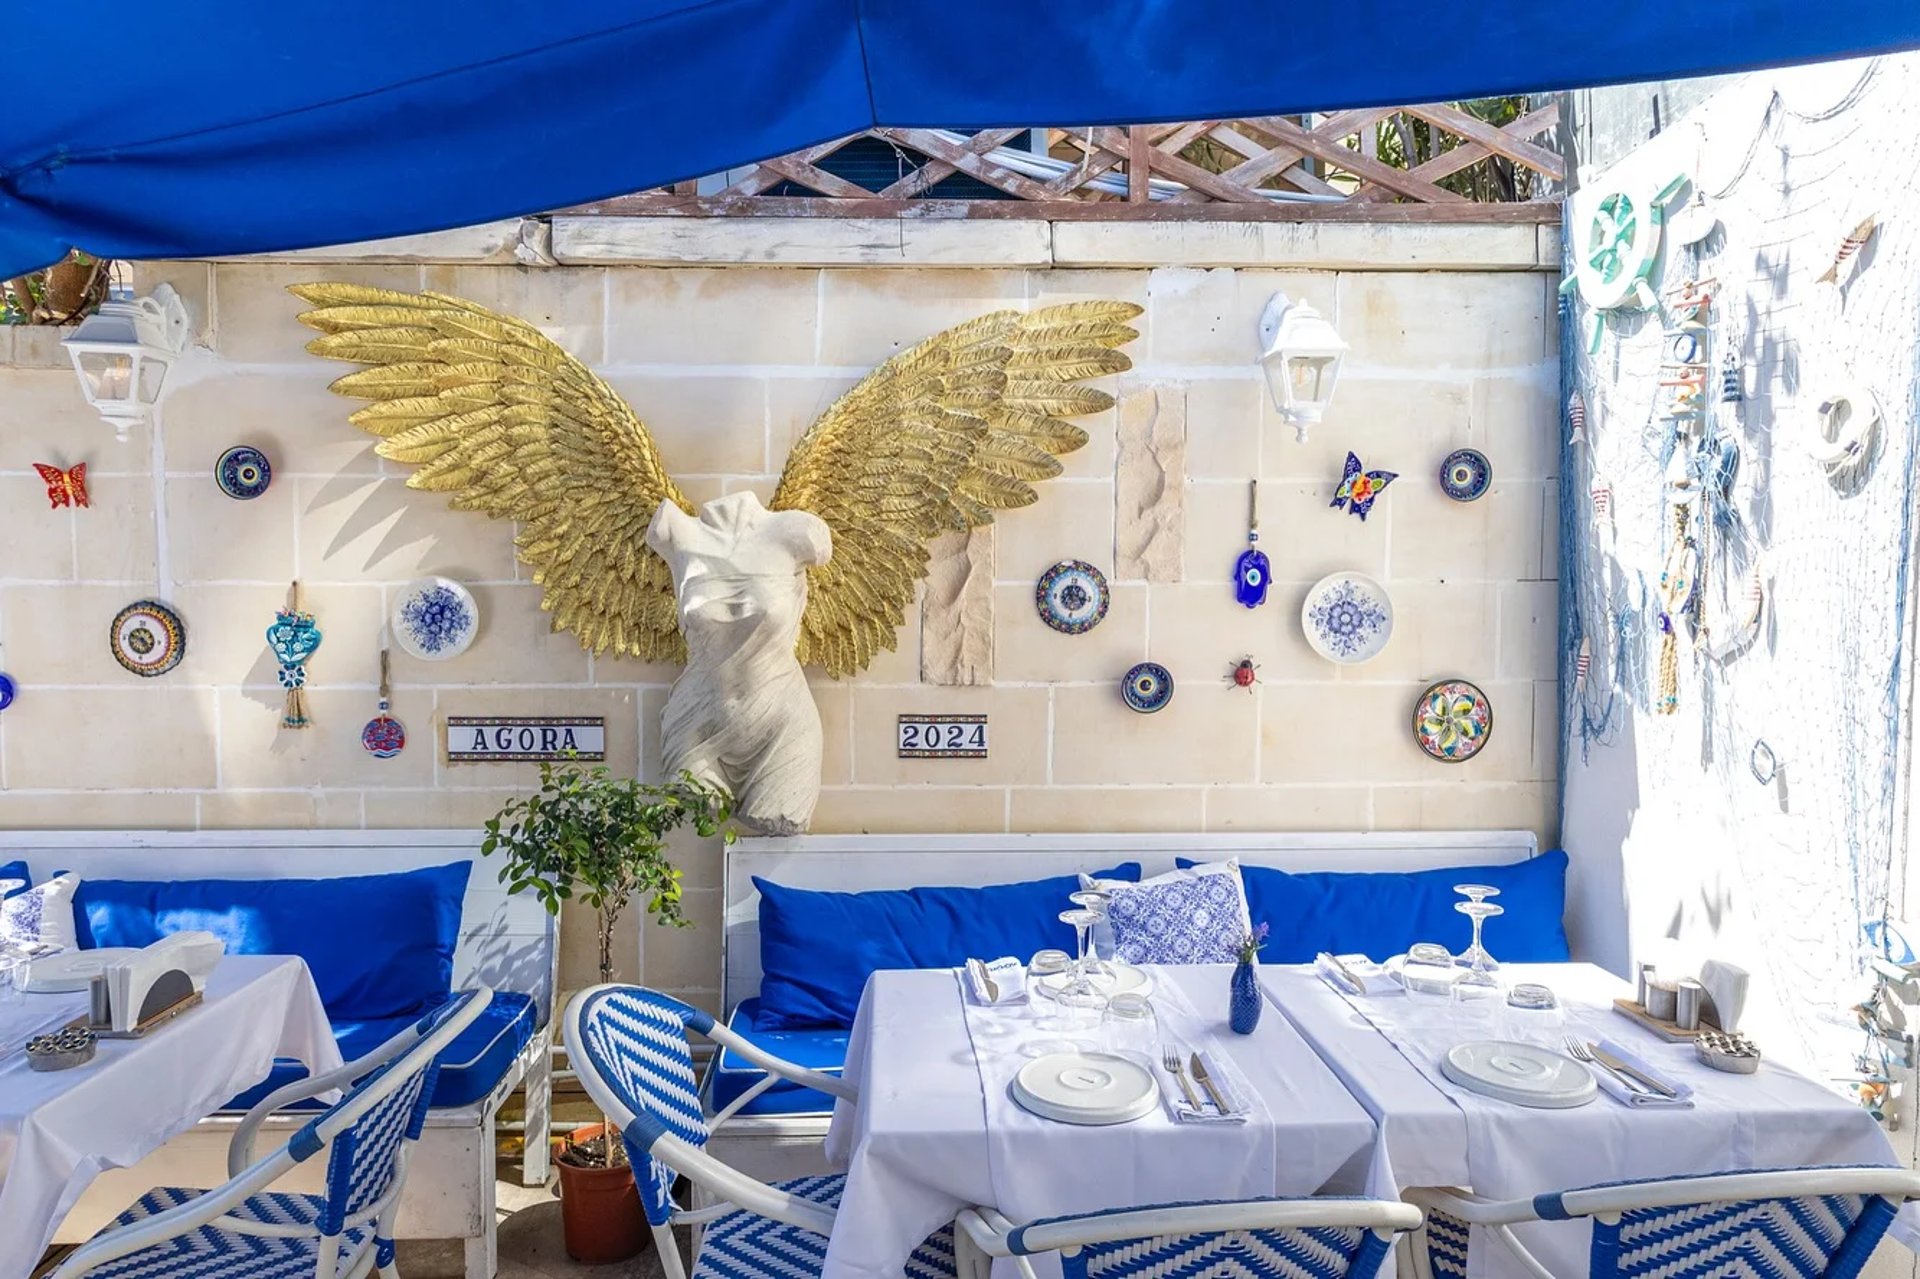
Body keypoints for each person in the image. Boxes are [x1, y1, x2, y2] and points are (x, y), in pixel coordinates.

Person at [646, 492, 831, 835]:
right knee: (690, 807)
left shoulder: (796, 530)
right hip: (696, 725)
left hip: (781, 725)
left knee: (781, 818)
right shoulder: (672, 530)